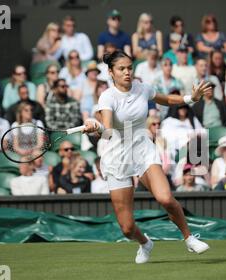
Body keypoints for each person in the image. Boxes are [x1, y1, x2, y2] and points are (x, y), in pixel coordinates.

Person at [83, 50, 211, 263]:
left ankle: (189, 238)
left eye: (129, 68)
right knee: (126, 228)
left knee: (165, 198)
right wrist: (95, 127)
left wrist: (191, 98)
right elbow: (107, 131)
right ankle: (145, 243)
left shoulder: (142, 88)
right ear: (111, 72)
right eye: (121, 69)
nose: (127, 72)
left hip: (143, 150)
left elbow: (167, 99)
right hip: (117, 158)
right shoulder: (107, 97)